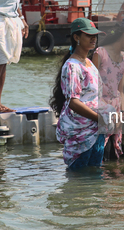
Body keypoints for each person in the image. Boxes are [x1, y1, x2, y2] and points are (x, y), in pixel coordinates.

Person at [49, 18, 112, 170]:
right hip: (82, 133)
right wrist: (99, 118)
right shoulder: (72, 66)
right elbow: (73, 101)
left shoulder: (89, 63)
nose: (93, 39)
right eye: (88, 35)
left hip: (96, 129)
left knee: (94, 178)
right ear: (76, 37)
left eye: (95, 35)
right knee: (80, 180)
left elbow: (93, 97)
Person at [91, 16, 124, 160]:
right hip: (100, 115)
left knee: (113, 158)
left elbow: (120, 90)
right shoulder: (100, 54)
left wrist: (122, 112)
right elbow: (92, 90)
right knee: (101, 156)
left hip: (116, 117)